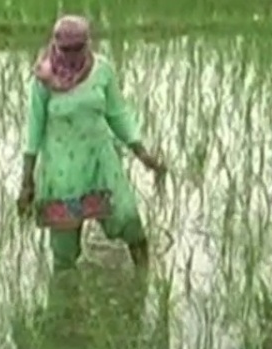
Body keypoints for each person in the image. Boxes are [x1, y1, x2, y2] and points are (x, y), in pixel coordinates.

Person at [17, 15, 168, 271]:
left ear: (88, 44)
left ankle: (144, 284)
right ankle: (66, 305)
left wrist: (142, 153)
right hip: (62, 171)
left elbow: (118, 113)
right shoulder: (43, 78)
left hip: (101, 163)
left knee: (129, 222)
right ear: (55, 46)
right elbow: (34, 128)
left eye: (78, 48)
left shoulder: (102, 70)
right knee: (64, 251)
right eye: (67, 49)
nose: (73, 55)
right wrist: (27, 180)